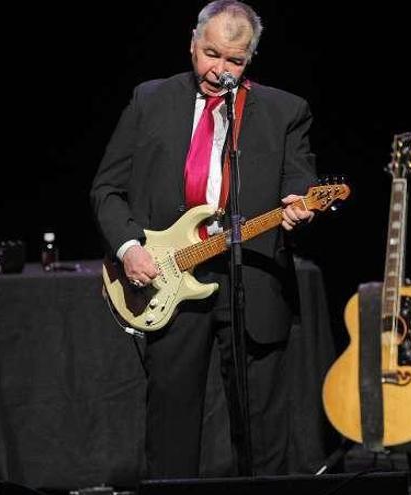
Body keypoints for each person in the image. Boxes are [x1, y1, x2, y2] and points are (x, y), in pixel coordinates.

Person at [90, 0, 317, 478]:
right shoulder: (149, 99)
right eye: (211, 54)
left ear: (250, 59)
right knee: (171, 426)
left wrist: (297, 205)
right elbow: (107, 188)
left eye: (234, 60)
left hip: (253, 279)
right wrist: (130, 247)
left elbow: (297, 182)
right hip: (171, 277)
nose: (220, 70)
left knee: (263, 433)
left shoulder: (286, 111)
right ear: (192, 43)